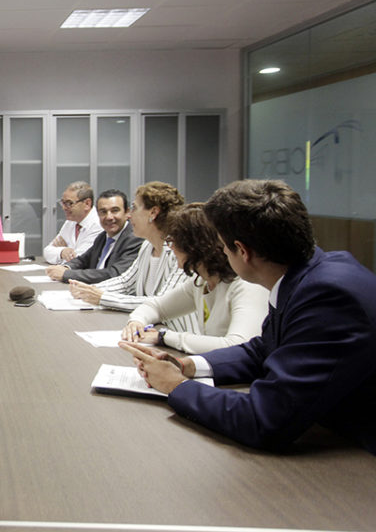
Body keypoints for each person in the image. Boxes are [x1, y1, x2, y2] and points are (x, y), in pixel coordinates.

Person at [121, 180, 376, 453]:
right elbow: (263, 349)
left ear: (242, 251)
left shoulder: (327, 297)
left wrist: (176, 385)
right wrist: (186, 366)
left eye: (223, 247)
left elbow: (263, 421)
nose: (220, 253)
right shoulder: (307, 276)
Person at [119, 203, 267, 353]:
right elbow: (156, 307)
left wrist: (164, 337)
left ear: (194, 245)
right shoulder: (201, 282)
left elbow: (238, 345)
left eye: (173, 241)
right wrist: (136, 322)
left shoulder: (246, 286)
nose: (170, 248)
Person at [70, 182, 189, 315]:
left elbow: (163, 303)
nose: (130, 215)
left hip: (174, 330)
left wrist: (102, 298)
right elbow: (126, 282)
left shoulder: (179, 252)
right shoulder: (147, 246)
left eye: (135, 208)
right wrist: (88, 290)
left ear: (153, 213)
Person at [46, 189, 143, 284]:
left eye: (115, 211)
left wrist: (66, 274)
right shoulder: (103, 236)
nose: (109, 217)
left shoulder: (134, 239)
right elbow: (83, 260)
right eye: (103, 212)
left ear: (127, 213)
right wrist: (65, 267)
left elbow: (114, 274)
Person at [43, 182, 101, 265]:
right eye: (63, 202)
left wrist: (64, 253)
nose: (63, 207)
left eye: (69, 203)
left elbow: (80, 260)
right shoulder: (71, 222)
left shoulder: (98, 224)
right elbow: (47, 252)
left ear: (87, 204)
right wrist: (62, 251)